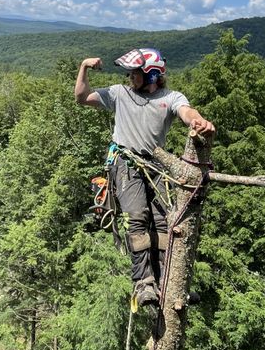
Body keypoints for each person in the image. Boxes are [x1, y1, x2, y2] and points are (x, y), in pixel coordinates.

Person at [75, 49, 215, 307]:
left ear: (151, 74)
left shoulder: (171, 97)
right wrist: (84, 66)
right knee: (138, 217)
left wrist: (199, 122)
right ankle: (143, 283)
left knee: (164, 223)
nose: (130, 77)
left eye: (135, 73)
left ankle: (168, 283)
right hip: (126, 163)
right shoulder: (120, 93)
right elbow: (82, 97)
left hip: (155, 166)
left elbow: (186, 112)